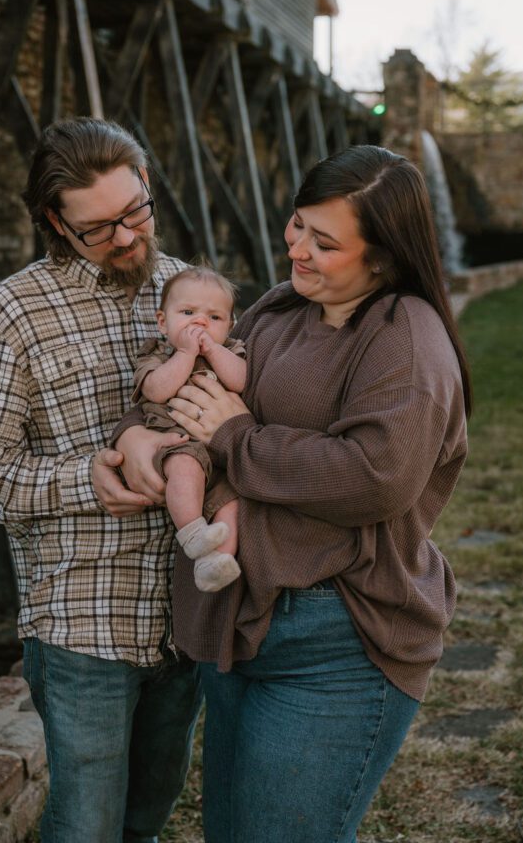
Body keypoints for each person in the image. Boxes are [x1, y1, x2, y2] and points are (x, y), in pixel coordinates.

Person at [99, 145, 472, 843]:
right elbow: (186, 395)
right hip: (238, 627)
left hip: (336, 640)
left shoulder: (405, 340)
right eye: (297, 224)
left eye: (324, 242)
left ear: (383, 257)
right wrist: (133, 440)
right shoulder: (279, 309)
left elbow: (373, 478)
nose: (296, 248)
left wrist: (238, 439)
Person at [0, 117, 203, 843]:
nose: (125, 237)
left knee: (148, 817)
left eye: (134, 211)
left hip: (188, 614)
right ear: (55, 222)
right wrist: (87, 477)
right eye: (98, 228)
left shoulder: (189, 292)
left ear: (146, 183)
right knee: (85, 829)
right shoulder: (9, 314)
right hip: (84, 624)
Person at [130, 265, 245, 592]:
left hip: (223, 454)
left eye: (215, 318)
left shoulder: (232, 351)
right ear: (163, 321)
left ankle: (215, 563)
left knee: (232, 505)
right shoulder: (157, 353)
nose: (201, 323)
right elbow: (155, 391)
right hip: (179, 444)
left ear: (231, 326)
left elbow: (241, 379)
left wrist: (214, 350)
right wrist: (185, 353)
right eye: (188, 312)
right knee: (184, 470)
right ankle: (193, 533)